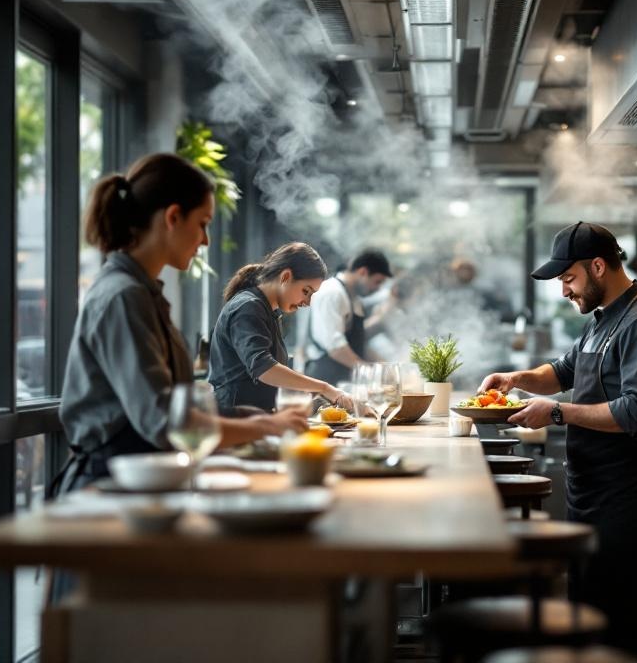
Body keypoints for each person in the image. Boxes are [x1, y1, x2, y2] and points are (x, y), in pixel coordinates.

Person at [480, 221, 637, 663]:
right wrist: (516, 378)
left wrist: (555, 412)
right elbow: (562, 371)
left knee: (633, 619)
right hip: (595, 489)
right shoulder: (604, 319)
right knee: (597, 609)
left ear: (598, 266)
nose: (564, 290)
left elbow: (636, 412)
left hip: (630, 491)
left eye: (568, 279)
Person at [57, 154, 309, 494]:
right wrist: (266, 425)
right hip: (111, 487)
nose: (205, 240)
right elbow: (165, 421)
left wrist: (247, 417)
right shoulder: (124, 296)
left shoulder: (141, 292)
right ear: (173, 217)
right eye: (203, 223)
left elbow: (172, 405)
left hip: (144, 479)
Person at [208, 243, 354, 416]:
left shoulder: (266, 310)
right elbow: (264, 369)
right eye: (306, 291)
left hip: (258, 419)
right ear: (286, 276)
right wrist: (324, 388)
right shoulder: (248, 307)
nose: (307, 302)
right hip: (235, 421)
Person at [304, 249, 393, 384]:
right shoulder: (332, 293)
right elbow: (336, 348)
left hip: (345, 382)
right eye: (377, 282)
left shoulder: (354, 297)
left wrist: (385, 366)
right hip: (325, 381)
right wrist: (372, 373)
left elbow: (357, 344)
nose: (378, 289)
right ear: (363, 272)